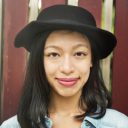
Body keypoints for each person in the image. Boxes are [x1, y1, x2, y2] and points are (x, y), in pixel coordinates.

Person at [1, 4, 128, 128]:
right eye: (54, 54)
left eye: (79, 53)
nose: (67, 68)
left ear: (92, 60)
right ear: (39, 61)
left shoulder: (119, 124)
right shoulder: (13, 126)